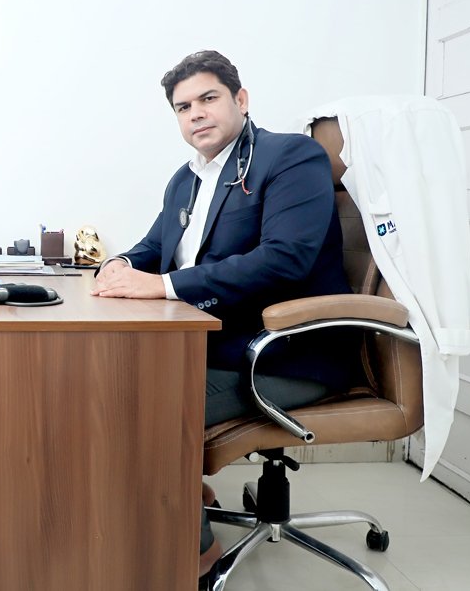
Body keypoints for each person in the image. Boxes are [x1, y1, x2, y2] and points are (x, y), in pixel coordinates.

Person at [91, 50, 359, 580]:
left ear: (241, 99)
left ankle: (194, 552)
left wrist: (163, 285)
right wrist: (116, 265)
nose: (196, 113)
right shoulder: (186, 178)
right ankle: (181, 491)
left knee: (139, 403)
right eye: (182, 107)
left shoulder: (290, 157)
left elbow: (284, 260)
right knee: (106, 377)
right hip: (216, 344)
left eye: (208, 98)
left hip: (283, 354)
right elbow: (154, 246)